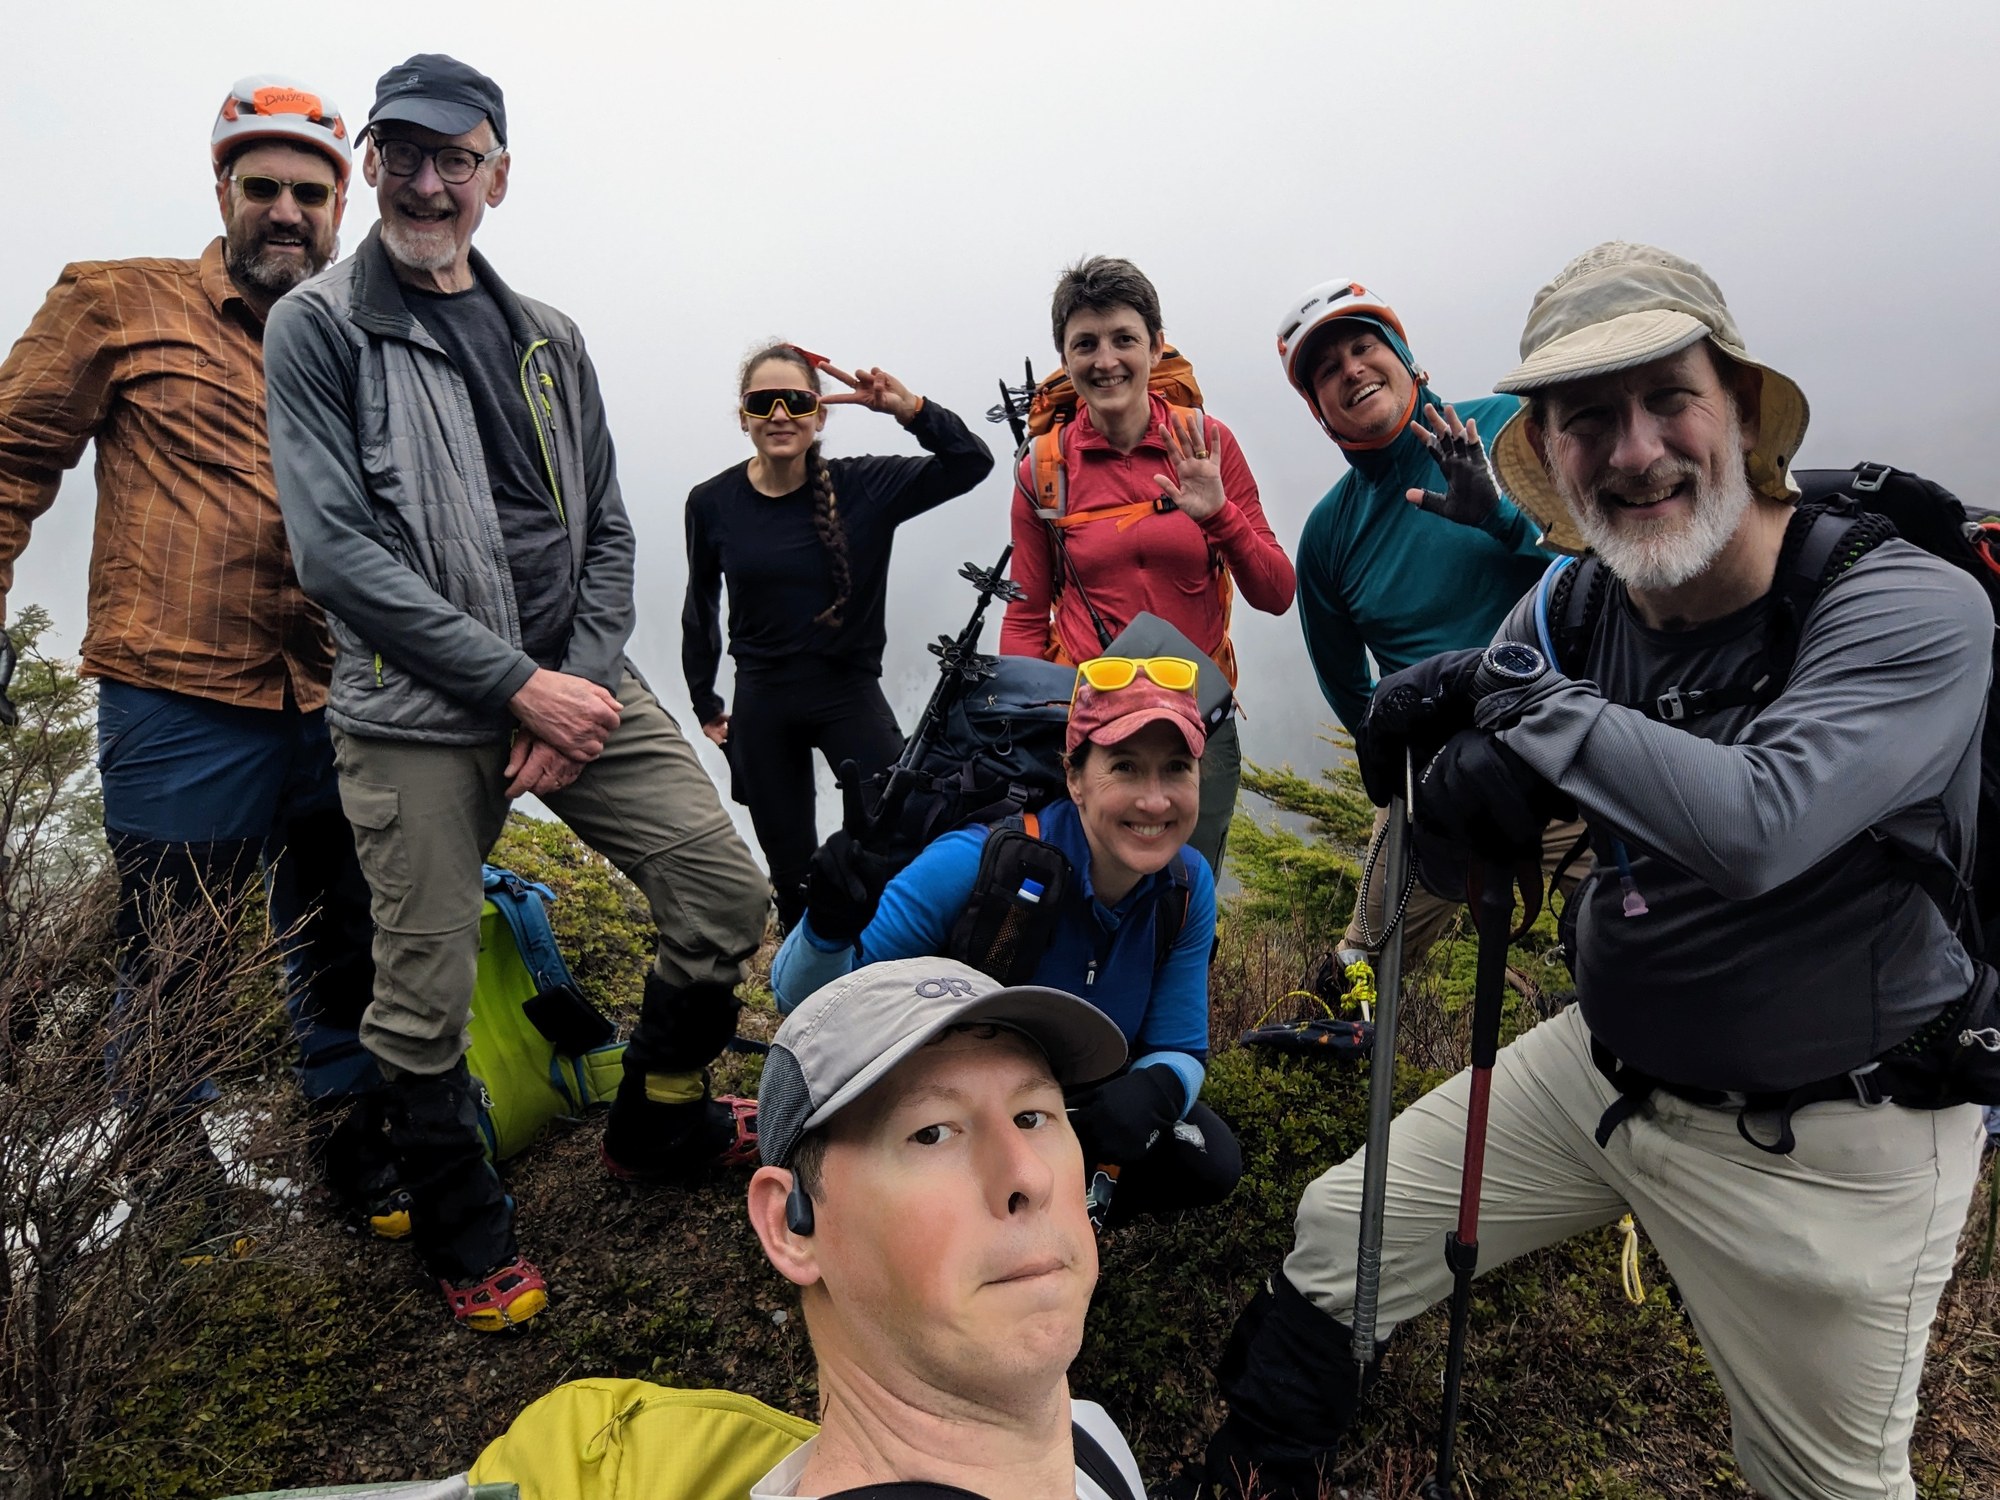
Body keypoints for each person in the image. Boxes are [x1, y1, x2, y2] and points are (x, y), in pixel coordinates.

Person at [1197, 243, 1993, 1500]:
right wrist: (1453, 801)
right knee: (1341, 1232)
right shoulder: (1574, 608)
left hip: (1835, 1137)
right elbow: (1458, 828)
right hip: (1602, 1071)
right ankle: (1251, 1470)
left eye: (1668, 399)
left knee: (1825, 1485)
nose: (1632, 451)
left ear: (1740, 413)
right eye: (1584, 420)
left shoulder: (1897, 601)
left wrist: (1506, 698)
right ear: (1548, 453)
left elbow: (1758, 824)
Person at [264, 54, 770, 1330]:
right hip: (415, 709)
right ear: (372, 161)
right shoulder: (319, 327)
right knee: (420, 988)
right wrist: (515, 691)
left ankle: (657, 1119)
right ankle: (461, 1223)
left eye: (457, 159)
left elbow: (608, 528)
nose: (427, 183)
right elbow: (334, 555)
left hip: (578, 682)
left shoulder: (551, 337)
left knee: (723, 892)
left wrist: (575, 683)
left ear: (498, 176)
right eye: (403, 154)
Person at [0, 74, 404, 1239]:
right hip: (177, 691)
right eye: (263, 186)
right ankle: (170, 1178)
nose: (287, 211)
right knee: (178, 951)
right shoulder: (114, 299)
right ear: (222, 188)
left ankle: (349, 1138)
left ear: (340, 209)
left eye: (311, 195)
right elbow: (12, 457)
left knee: (342, 931)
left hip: (335, 690)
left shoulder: (361, 339)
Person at [771, 659, 1240, 1225]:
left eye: (1176, 768)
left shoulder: (1186, 885)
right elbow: (806, 1008)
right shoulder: (976, 861)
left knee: (1208, 1160)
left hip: (1068, 1100)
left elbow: (1180, 1046)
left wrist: (1156, 1090)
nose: (1155, 801)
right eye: (1124, 767)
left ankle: (1056, 1205)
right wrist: (826, 929)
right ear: (1074, 779)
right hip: (945, 1100)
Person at [746, 956, 1148, 1499]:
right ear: (791, 1228)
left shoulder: (1093, 1436)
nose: (1029, 1176)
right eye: (931, 1133)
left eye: (1031, 1117)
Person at [1276, 281, 1579, 999]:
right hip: (1437, 782)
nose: (1351, 369)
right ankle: (1336, 1036)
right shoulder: (1329, 535)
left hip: (1574, 744)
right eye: (1327, 370)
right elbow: (1347, 684)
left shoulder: (1506, 431)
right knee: (1358, 975)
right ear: (1319, 410)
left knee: (1650, 931)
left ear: (1407, 360)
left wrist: (1500, 516)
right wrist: (1395, 757)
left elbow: (1607, 565)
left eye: (1364, 346)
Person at [683, 342, 993, 930]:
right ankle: (803, 980)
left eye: (796, 401)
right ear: (744, 416)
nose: (779, 415)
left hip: (847, 693)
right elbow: (700, 604)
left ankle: (888, 969)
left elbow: (970, 462)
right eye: (763, 402)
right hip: (763, 701)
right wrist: (706, 702)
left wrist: (910, 410)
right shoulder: (711, 502)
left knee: (899, 840)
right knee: (791, 875)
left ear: (820, 414)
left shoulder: (863, 487)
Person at [1001, 256, 1295, 874]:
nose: (1105, 360)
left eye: (1124, 339)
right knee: (1086, 889)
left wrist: (1219, 515)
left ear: (1157, 347)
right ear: (1065, 358)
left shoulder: (1207, 443)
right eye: (1085, 344)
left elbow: (1275, 591)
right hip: (1091, 721)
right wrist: (1028, 733)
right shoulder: (1043, 470)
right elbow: (1026, 616)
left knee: (1189, 887)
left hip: (1197, 714)